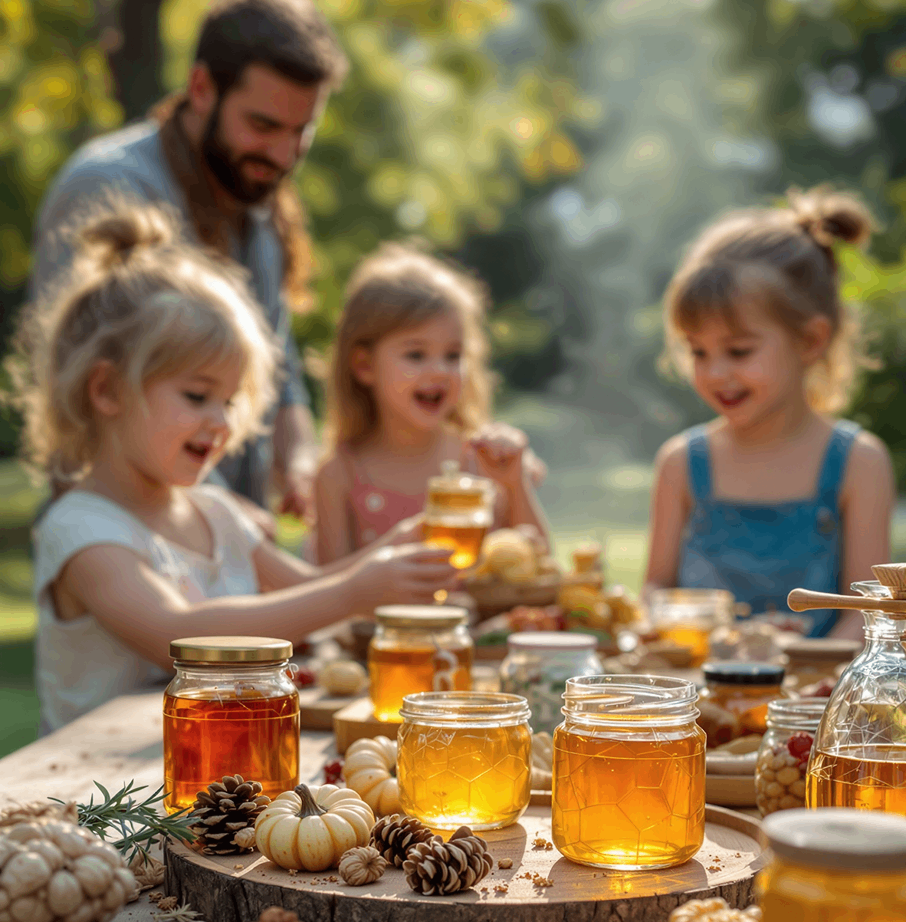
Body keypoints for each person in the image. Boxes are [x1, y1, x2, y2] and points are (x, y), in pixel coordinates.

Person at [13, 203, 458, 735]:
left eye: (228, 401)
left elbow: (312, 587)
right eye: (197, 395)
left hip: (220, 770)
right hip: (96, 784)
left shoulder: (216, 511)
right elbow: (176, 637)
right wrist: (356, 591)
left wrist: (395, 551)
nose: (221, 422)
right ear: (107, 389)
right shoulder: (81, 530)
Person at [28, 0, 347, 534]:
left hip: (224, 552)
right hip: (121, 546)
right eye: (263, 125)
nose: (283, 155)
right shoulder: (106, 188)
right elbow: (83, 398)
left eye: (301, 132)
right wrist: (226, 518)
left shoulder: (257, 201)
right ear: (201, 88)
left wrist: (297, 456)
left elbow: (278, 363)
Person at [643, 187, 895, 640]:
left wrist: (805, 673)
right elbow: (656, 588)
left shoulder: (859, 463)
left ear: (811, 341)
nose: (715, 373)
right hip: (701, 686)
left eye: (739, 351)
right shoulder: (680, 464)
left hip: (819, 685)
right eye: (698, 352)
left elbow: (865, 614)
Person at [312, 242, 550, 565]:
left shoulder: (483, 462)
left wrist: (515, 484)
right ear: (365, 366)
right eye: (416, 354)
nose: (439, 370)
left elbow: (539, 567)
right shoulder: (339, 475)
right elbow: (328, 589)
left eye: (453, 355)